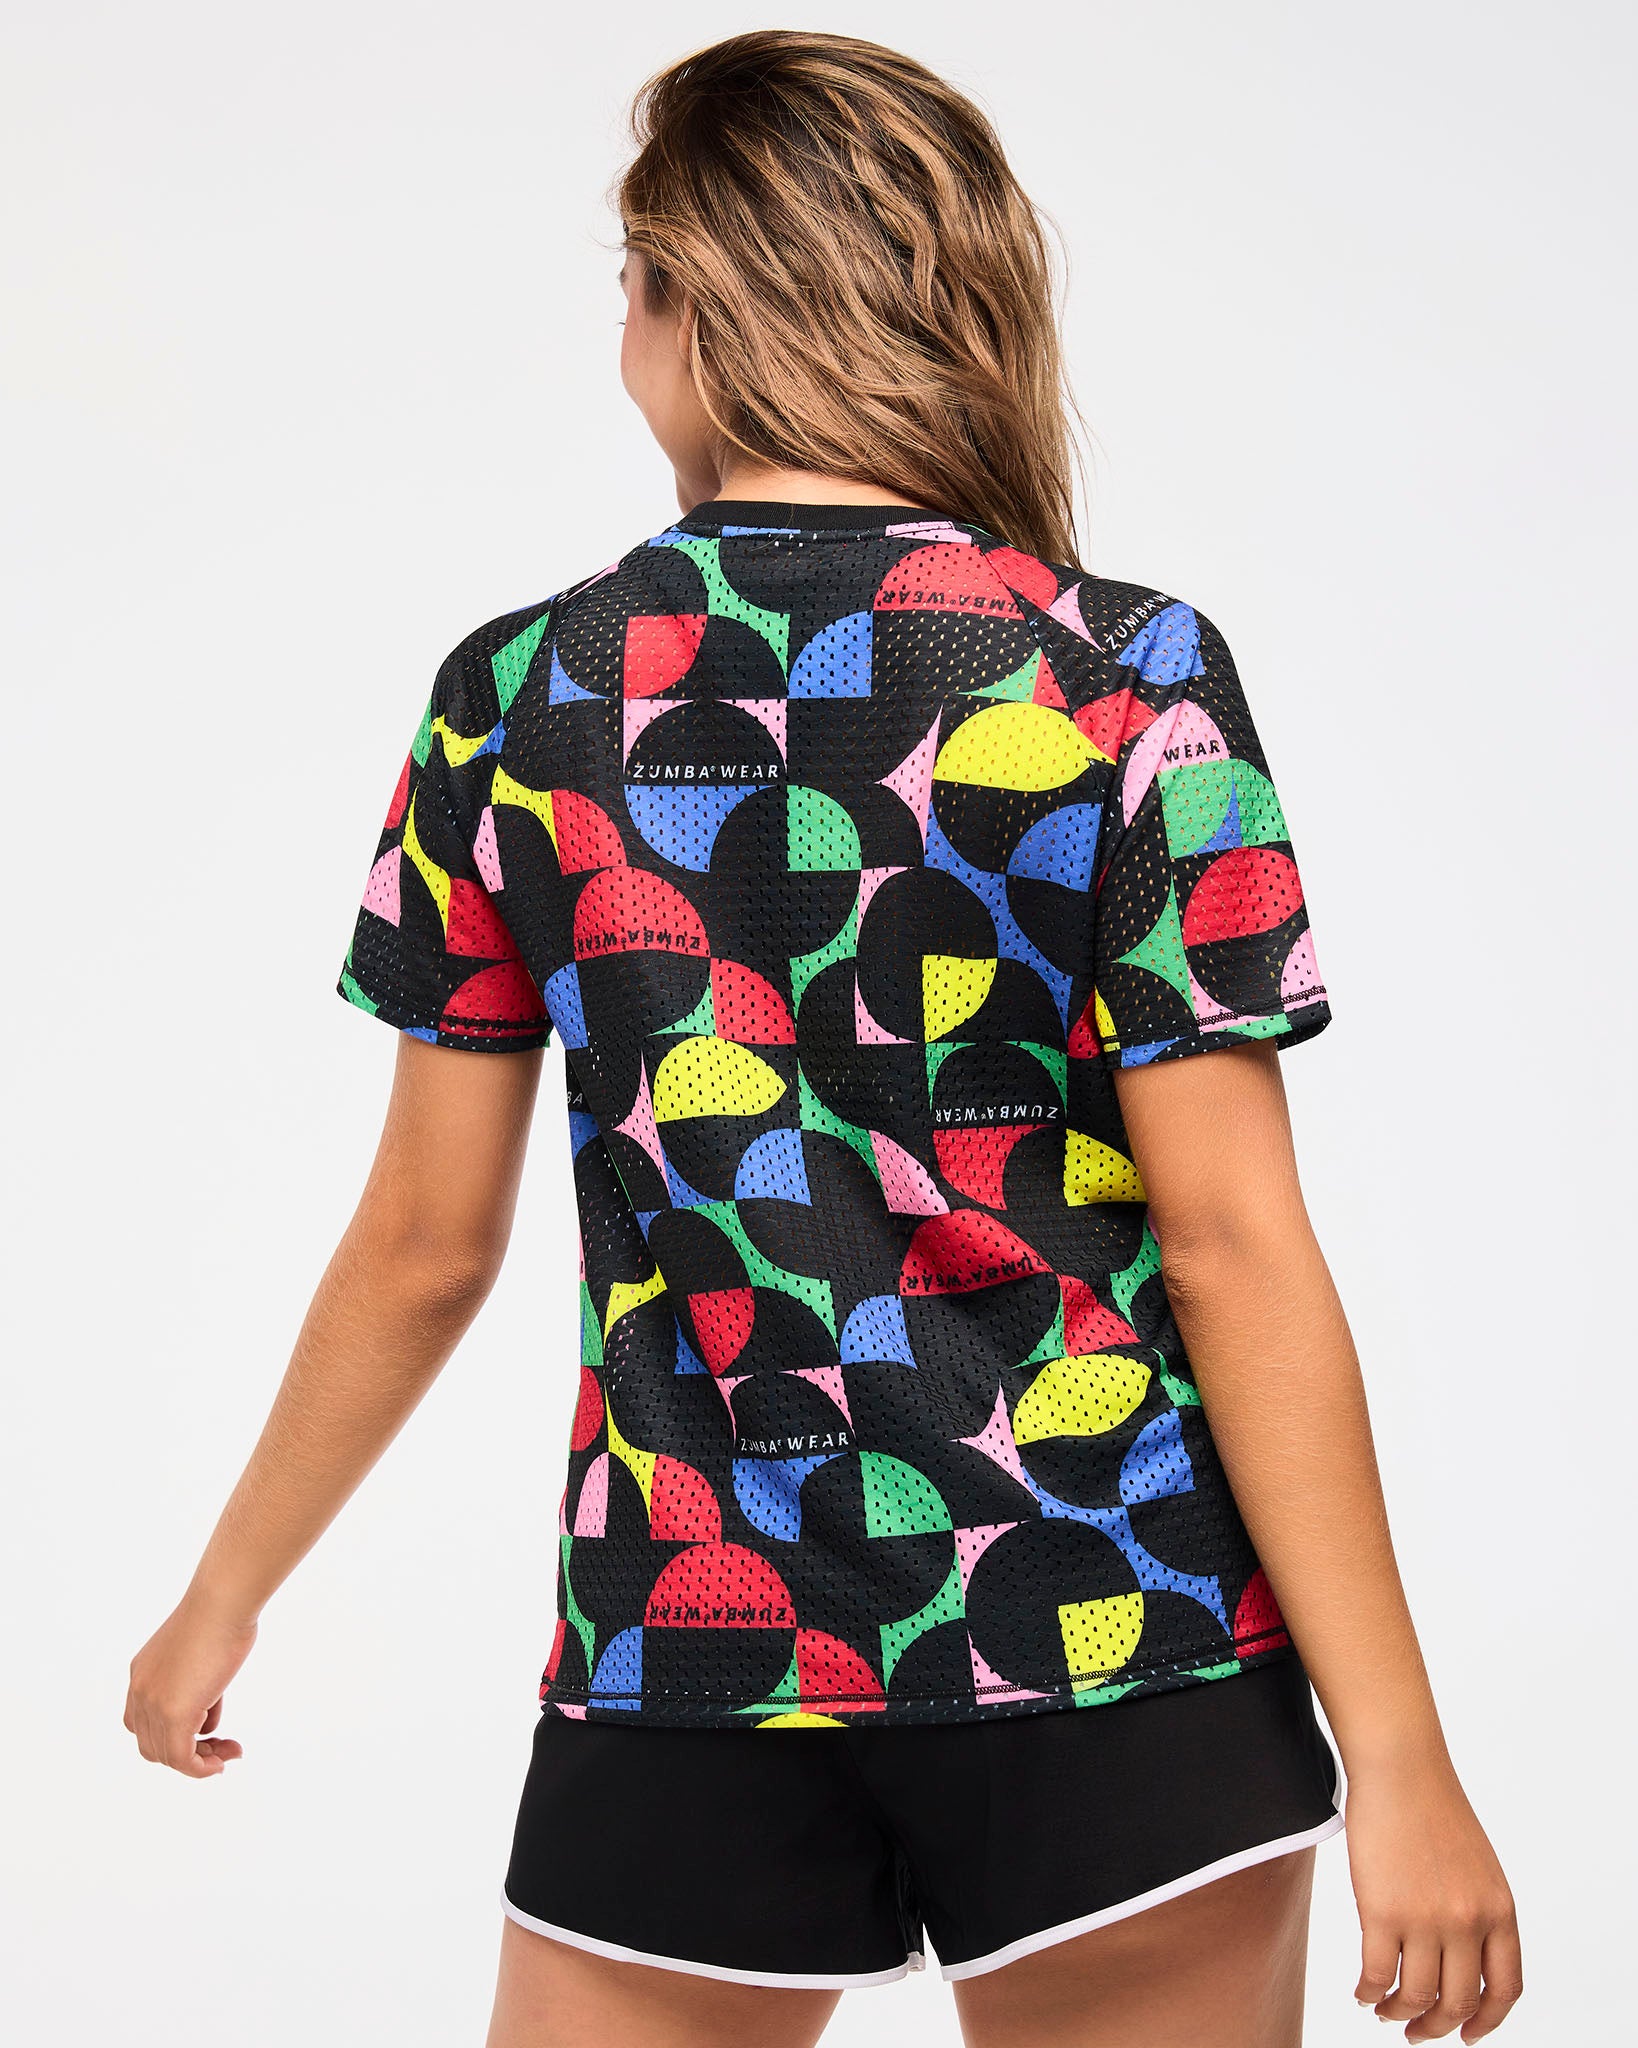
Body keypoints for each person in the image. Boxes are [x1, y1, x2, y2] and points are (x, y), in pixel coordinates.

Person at [124, 30, 1522, 2048]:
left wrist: (223, 1593)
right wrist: (1398, 1756)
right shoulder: (1126, 678)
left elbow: (425, 1244)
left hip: (695, 1646)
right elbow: (1233, 1243)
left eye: (630, 280)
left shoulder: (516, 698)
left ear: (690, 309)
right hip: (1113, 1629)